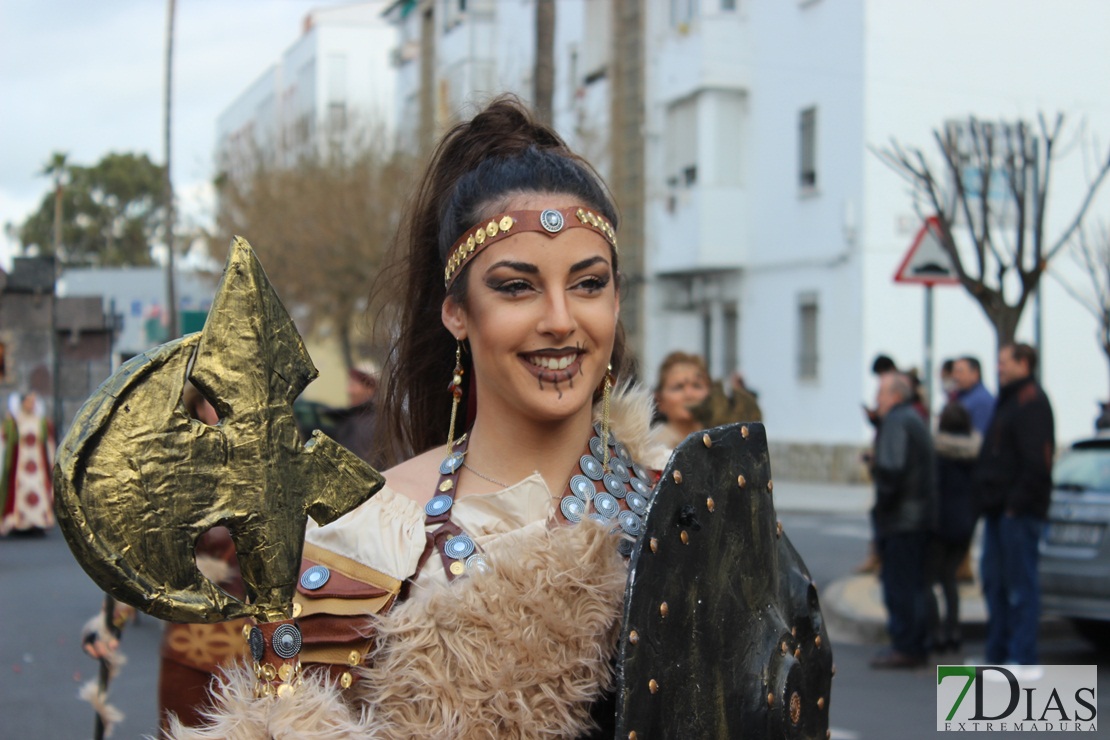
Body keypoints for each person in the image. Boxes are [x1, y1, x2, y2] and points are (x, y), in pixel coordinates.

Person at [167, 97, 670, 738]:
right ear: (456, 311)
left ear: (617, 298)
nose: (560, 319)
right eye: (516, 286)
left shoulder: (688, 507)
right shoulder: (367, 540)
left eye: (588, 283)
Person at [974, 342, 1055, 666]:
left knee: (1020, 589)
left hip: (1017, 513)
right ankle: (998, 654)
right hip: (1000, 511)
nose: (999, 368)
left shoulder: (1031, 401)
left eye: (1005, 362)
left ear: (1024, 363)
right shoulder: (1009, 400)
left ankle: (1022, 657)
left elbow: (1037, 462)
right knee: (995, 585)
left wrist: (1014, 505)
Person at [869, 373, 936, 669]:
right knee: (915, 584)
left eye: (881, 394)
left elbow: (892, 469)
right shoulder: (912, 417)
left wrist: (883, 503)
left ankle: (906, 645)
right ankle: (916, 643)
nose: (876, 401)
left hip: (902, 518)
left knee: (901, 585)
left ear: (895, 396)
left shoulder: (897, 420)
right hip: (916, 516)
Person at [927, 402, 981, 653]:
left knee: (934, 579)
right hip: (965, 524)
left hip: (941, 525)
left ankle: (937, 631)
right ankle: (954, 630)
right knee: (951, 579)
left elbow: (933, 490)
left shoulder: (938, 452)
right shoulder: (975, 452)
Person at [651, 351, 761, 453]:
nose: (689, 395)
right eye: (678, 387)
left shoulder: (721, 439)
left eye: (697, 386)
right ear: (659, 399)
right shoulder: (650, 446)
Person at [0, 391, 56, 536]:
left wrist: (51, 463)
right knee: (20, 491)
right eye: (28, 401)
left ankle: (37, 523)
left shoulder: (41, 422)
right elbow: (6, 442)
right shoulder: (14, 422)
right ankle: (19, 524)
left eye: (33, 402)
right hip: (20, 466)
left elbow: (48, 443)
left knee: (38, 490)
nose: (31, 405)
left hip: (37, 467)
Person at [328, 361, 381, 465]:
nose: (348, 390)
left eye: (353, 385)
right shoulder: (350, 418)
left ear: (369, 388)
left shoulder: (379, 421)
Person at [952, 355, 994, 435]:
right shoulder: (962, 396)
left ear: (975, 373)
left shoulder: (982, 400)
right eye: (954, 372)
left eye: (960, 372)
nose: (955, 376)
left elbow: (980, 436)